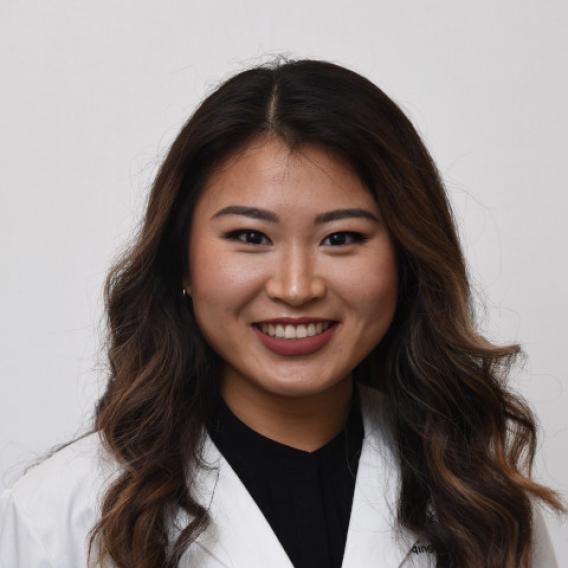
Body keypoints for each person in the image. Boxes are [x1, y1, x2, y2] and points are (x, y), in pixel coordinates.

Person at [0, 57, 564, 568]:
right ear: (182, 262)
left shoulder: (480, 502)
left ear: (407, 259)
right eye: (250, 236)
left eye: (342, 238)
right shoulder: (59, 516)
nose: (296, 288)